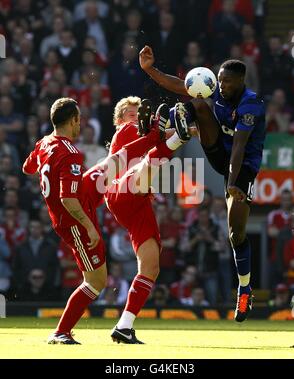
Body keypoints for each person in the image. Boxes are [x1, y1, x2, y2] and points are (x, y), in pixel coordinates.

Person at [139, 45, 266, 322]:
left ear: (241, 82)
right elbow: (181, 84)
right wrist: (150, 70)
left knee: (236, 235)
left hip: (242, 167)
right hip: (219, 152)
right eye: (219, 80)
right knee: (196, 103)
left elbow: (240, 148)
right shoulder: (218, 91)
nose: (221, 85)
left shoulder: (250, 104)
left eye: (226, 82)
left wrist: (231, 184)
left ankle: (245, 289)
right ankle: (171, 121)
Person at [89, 96, 191, 343]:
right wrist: (171, 129)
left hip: (139, 201)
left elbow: (157, 139)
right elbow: (153, 137)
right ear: (119, 119)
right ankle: (180, 137)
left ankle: (124, 326)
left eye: (140, 114)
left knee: (150, 268)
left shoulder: (144, 133)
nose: (137, 116)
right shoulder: (124, 132)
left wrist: (188, 130)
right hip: (121, 190)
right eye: (132, 113)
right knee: (149, 163)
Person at [23, 98, 107, 344]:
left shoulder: (43, 144)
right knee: (96, 280)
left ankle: (63, 331)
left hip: (65, 219)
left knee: (97, 280)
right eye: (79, 120)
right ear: (73, 120)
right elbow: (68, 199)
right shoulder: (70, 153)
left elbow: (27, 168)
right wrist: (89, 227)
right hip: (73, 222)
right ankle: (61, 331)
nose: (80, 124)